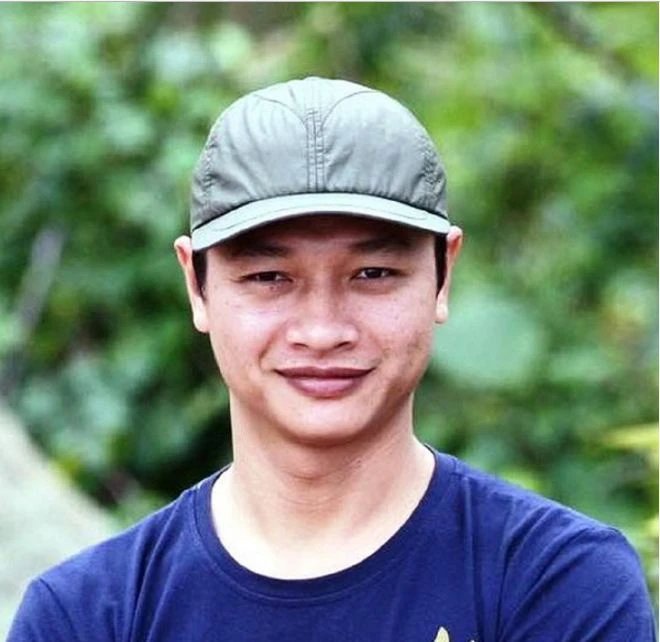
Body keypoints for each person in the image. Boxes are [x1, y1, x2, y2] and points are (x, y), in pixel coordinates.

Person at [8, 77, 656, 642]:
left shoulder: (555, 584)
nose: (321, 331)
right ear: (196, 285)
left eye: (373, 273)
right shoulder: (88, 617)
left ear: (443, 274)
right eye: (269, 277)